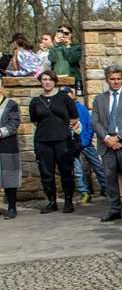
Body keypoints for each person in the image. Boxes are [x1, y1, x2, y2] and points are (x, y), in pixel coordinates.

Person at [92, 65, 122, 222]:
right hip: (106, 144)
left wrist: (118, 138)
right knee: (110, 177)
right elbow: (95, 121)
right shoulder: (100, 99)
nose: (116, 82)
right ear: (107, 80)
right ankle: (114, 209)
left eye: (119, 79)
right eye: (113, 79)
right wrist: (107, 138)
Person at [28, 71, 78, 213]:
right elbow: (35, 120)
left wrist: (66, 127)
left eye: (50, 79)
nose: (47, 82)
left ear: (55, 81)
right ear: (41, 81)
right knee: (46, 172)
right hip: (43, 141)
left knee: (66, 171)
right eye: (44, 79)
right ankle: (51, 201)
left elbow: (74, 116)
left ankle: (68, 200)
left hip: (62, 140)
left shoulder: (63, 98)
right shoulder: (35, 101)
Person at [67, 86, 106, 203]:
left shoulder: (81, 108)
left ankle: (106, 187)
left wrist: (87, 138)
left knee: (97, 166)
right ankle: (84, 192)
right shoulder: (63, 110)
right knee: (78, 170)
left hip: (85, 143)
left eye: (69, 94)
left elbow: (89, 124)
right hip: (73, 144)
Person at [0, 82, 21, 218]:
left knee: (9, 177)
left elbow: (14, 123)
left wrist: (1, 132)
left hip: (7, 145)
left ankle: (12, 207)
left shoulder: (11, 104)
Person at [48, 24, 83, 90]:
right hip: (57, 80)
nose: (64, 35)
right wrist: (55, 45)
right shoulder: (55, 47)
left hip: (73, 81)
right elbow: (52, 59)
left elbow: (72, 60)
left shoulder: (76, 47)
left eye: (66, 33)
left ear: (71, 34)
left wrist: (67, 46)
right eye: (61, 33)